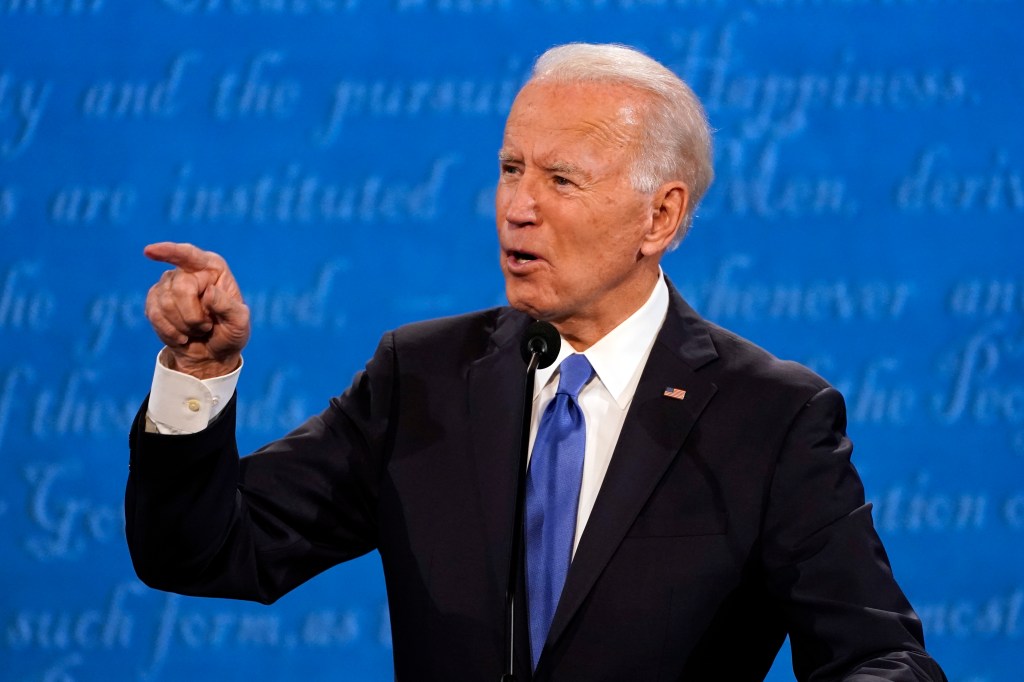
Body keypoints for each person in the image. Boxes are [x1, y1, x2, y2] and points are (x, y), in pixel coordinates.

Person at [126, 43, 946, 681]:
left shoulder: (770, 418)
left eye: (561, 179)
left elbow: (881, 657)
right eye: (511, 169)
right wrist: (196, 376)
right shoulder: (423, 379)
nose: (520, 207)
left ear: (659, 217)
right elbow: (203, 551)